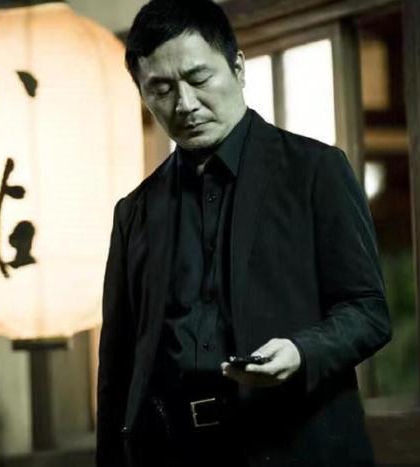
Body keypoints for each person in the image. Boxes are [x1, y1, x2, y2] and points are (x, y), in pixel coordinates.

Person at [96, 1, 392, 466]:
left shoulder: (315, 171)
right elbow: (116, 372)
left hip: (292, 446)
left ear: (237, 67)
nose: (184, 104)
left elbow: (368, 312)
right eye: (161, 89)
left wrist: (301, 351)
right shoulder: (133, 212)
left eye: (198, 78)